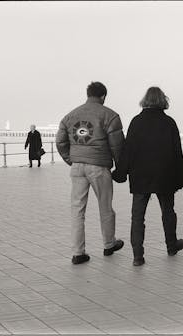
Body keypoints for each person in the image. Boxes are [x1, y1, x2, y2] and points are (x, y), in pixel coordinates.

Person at [112, 87, 183, 266]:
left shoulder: (137, 122)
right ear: (163, 100)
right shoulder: (169, 123)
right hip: (165, 174)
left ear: (145, 100)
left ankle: (138, 256)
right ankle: (171, 246)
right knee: (168, 211)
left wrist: (120, 173)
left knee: (137, 216)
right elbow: (177, 153)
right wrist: (180, 179)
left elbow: (128, 150)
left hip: (140, 175)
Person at [55, 81, 125, 265]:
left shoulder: (70, 116)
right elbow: (117, 146)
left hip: (77, 167)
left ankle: (78, 253)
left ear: (88, 95)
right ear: (103, 96)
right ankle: (109, 244)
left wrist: (71, 159)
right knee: (105, 206)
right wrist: (120, 167)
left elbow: (60, 141)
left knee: (77, 209)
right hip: (99, 166)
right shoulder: (110, 116)